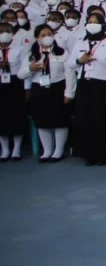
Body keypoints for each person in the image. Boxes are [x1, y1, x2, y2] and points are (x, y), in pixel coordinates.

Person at [67, 11, 106, 165]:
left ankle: (104, 154)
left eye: (95, 21)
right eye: (89, 21)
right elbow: (70, 64)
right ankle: (88, 154)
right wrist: (80, 60)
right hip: (85, 84)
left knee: (101, 120)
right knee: (86, 120)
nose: (92, 24)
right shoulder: (81, 43)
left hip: (102, 85)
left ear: (102, 25)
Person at [18, 24, 73, 162]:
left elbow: (70, 74)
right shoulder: (32, 55)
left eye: (49, 34)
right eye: (43, 35)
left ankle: (58, 150)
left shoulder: (62, 53)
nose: (47, 37)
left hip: (58, 88)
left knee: (60, 120)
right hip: (39, 90)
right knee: (42, 121)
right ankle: (47, 150)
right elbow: (20, 74)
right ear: (37, 38)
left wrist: (69, 93)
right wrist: (30, 69)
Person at [0, 21, 29, 161]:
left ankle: (16, 148)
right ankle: (5, 150)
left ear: (12, 34)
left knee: (16, 115)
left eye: (7, 31)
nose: (4, 34)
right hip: (0, 83)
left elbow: (25, 69)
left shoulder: (20, 49)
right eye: (1, 31)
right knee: (1, 118)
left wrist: (27, 89)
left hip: (15, 83)